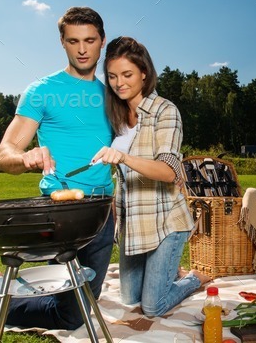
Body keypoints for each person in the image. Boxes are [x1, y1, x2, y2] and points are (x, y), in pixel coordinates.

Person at [0, 6, 116, 330]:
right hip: (61, 213)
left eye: (90, 40)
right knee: (71, 317)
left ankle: (7, 289)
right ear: (62, 43)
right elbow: (3, 153)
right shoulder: (42, 90)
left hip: (103, 212)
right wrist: (26, 157)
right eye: (73, 40)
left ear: (102, 41)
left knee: (82, 307)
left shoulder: (112, 97)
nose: (82, 49)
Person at [91, 36, 210, 316]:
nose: (119, 82)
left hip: (166, 221)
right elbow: (121, 181)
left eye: (127, 74)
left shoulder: (165, 111)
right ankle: (166, 272)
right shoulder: (116, 117)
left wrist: (124, 157)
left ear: (144, 74)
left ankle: (192, 279)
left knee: (152, 307)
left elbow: (170, 171)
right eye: (112, 76)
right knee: (130, 301)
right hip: (135, 225)